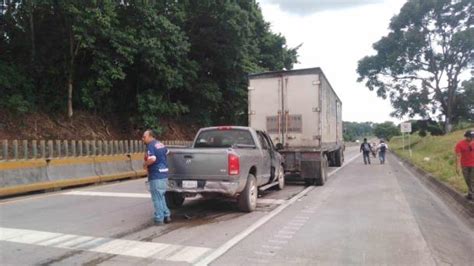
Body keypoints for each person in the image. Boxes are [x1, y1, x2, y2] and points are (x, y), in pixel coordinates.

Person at [142, 129, 171, 224]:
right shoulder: (161, 144)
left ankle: (159, 218)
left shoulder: (151, 145)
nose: (143, 139)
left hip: (156, 174)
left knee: (156, 197)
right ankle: (166, 215)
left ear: (150, 136)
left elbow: (152, 158)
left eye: (144, 137)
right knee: (161, 196)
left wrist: (145, 164)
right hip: (164, 173)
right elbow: (167, 152)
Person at [455, 130, 473, 201]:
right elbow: (458, 156)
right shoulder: (460, 144)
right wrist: (457, 167)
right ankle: (470, 193)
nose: (472, 138)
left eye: (473, 137)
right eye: (470, 137)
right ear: (466, 136)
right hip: (464, 165)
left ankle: (471, 194)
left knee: (472, 180)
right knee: (467, 179)